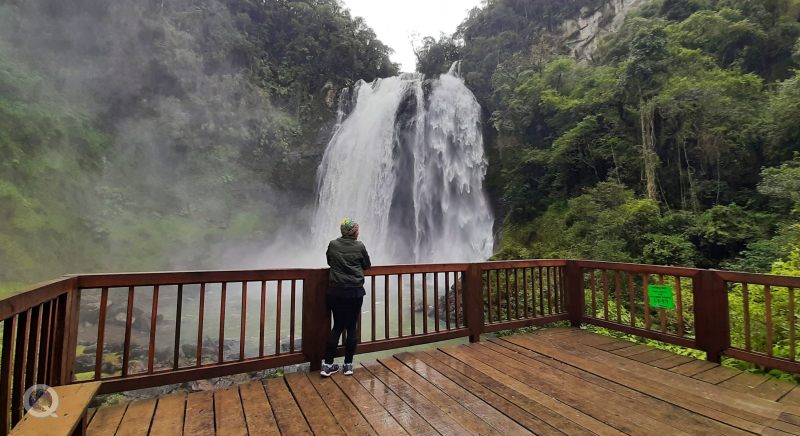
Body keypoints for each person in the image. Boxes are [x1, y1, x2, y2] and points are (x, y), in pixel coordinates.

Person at [321, 217, 371, 377]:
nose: (358, 232)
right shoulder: (359, 246)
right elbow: (367, 265)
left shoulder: (333, 244)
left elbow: (329, 261)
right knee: (351, 327)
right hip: (355, 292)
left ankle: (327, 365)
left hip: (335, 292)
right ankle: (348, 365)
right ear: (354, 232)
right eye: (357, 230)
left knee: (336, 327)